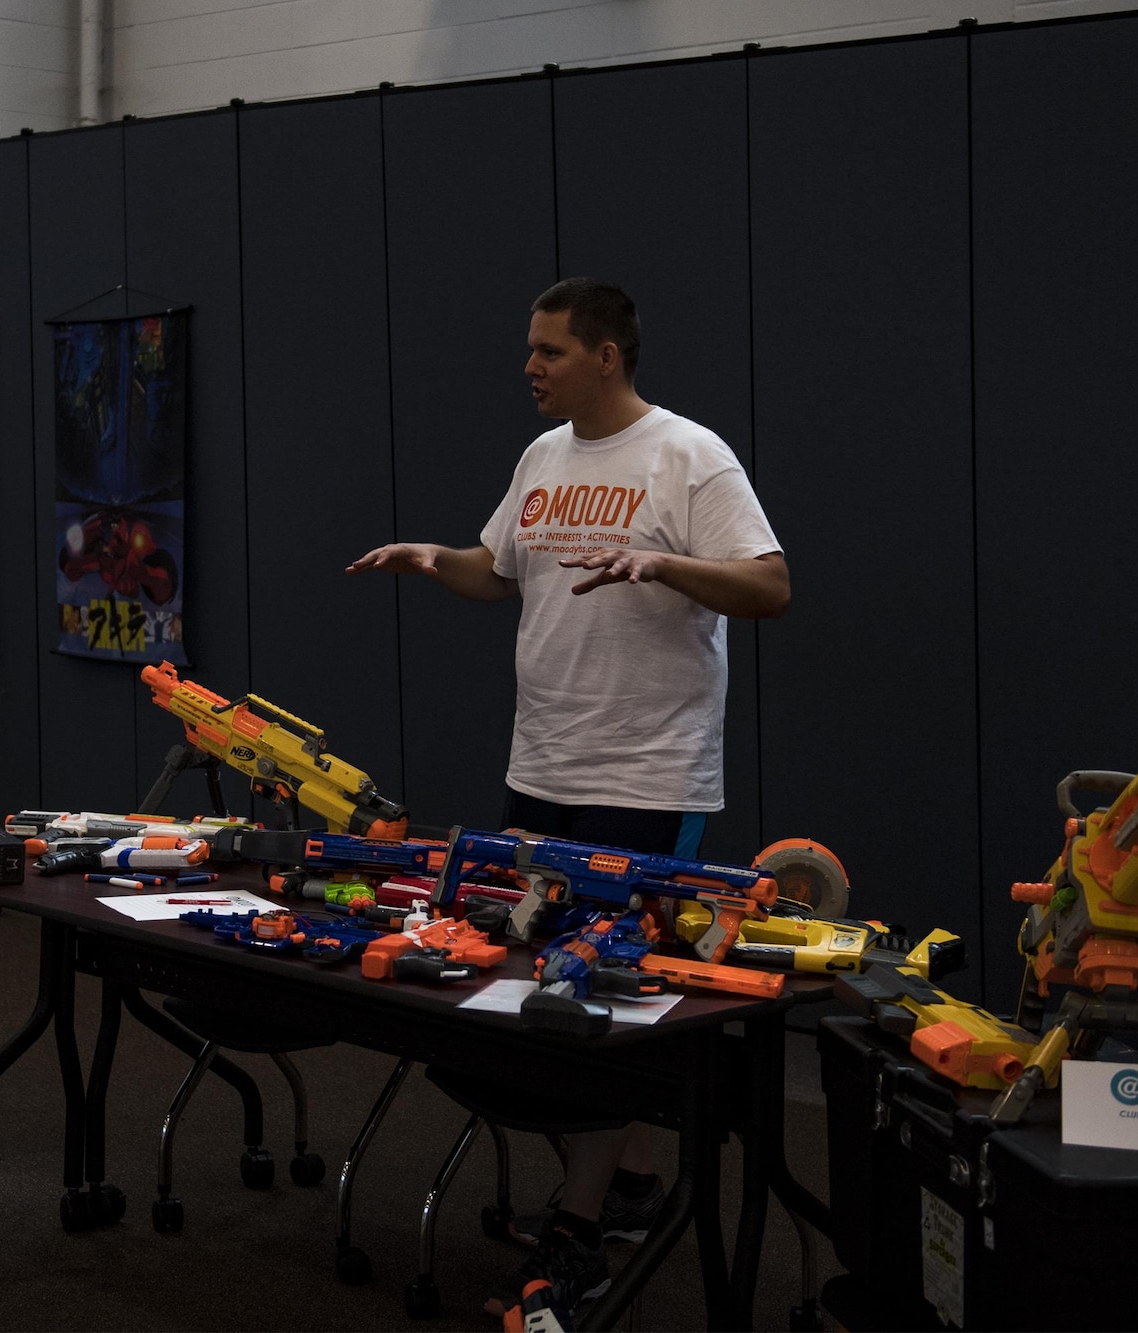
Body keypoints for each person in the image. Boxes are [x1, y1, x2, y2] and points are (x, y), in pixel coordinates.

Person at [347, 277, 789, 1314]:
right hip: (539, 767)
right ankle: (631, 1178)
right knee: (531, 981)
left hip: (644, 775)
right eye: (530, 350)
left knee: (586, 994)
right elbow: (498, 570)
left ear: (605, 354)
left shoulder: (689, 454)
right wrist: (433, 558)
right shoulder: (542, 459)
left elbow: (768, 584)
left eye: (547, 351)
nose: (529, 367)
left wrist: (666, 564)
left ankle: (582, 1222)